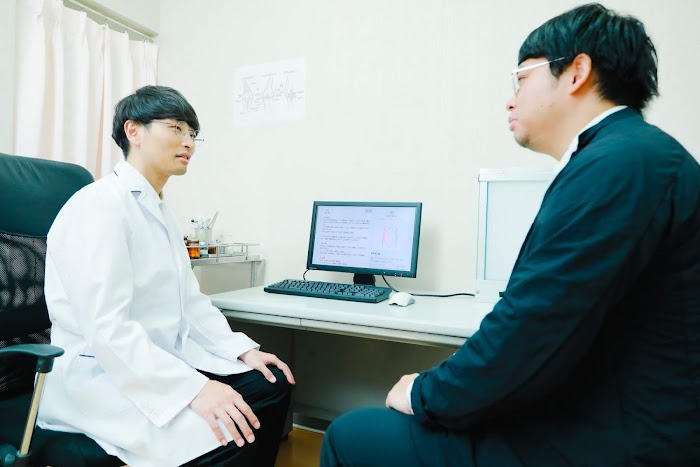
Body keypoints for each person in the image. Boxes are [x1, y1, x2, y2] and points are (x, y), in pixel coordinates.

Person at [321, 3, 699, 466]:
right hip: (616, 411)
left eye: (522, 78)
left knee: (354, 433)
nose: (510, 98)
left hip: (620, 437)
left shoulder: (620, 165)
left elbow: (532, 332)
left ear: (577, 71)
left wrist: (424, 391)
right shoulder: (632, 156)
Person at [37, 85, 295, 467]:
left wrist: (241, 349)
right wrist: (195, 388)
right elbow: (107, 328)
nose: (188, 141)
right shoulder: (98, 206)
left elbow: (191, 303)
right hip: (102, 372)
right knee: (219, 431)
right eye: (175, 128)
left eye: (192, 133)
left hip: (157, 360)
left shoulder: (159, 211)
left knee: (271, 383)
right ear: (134, 131)